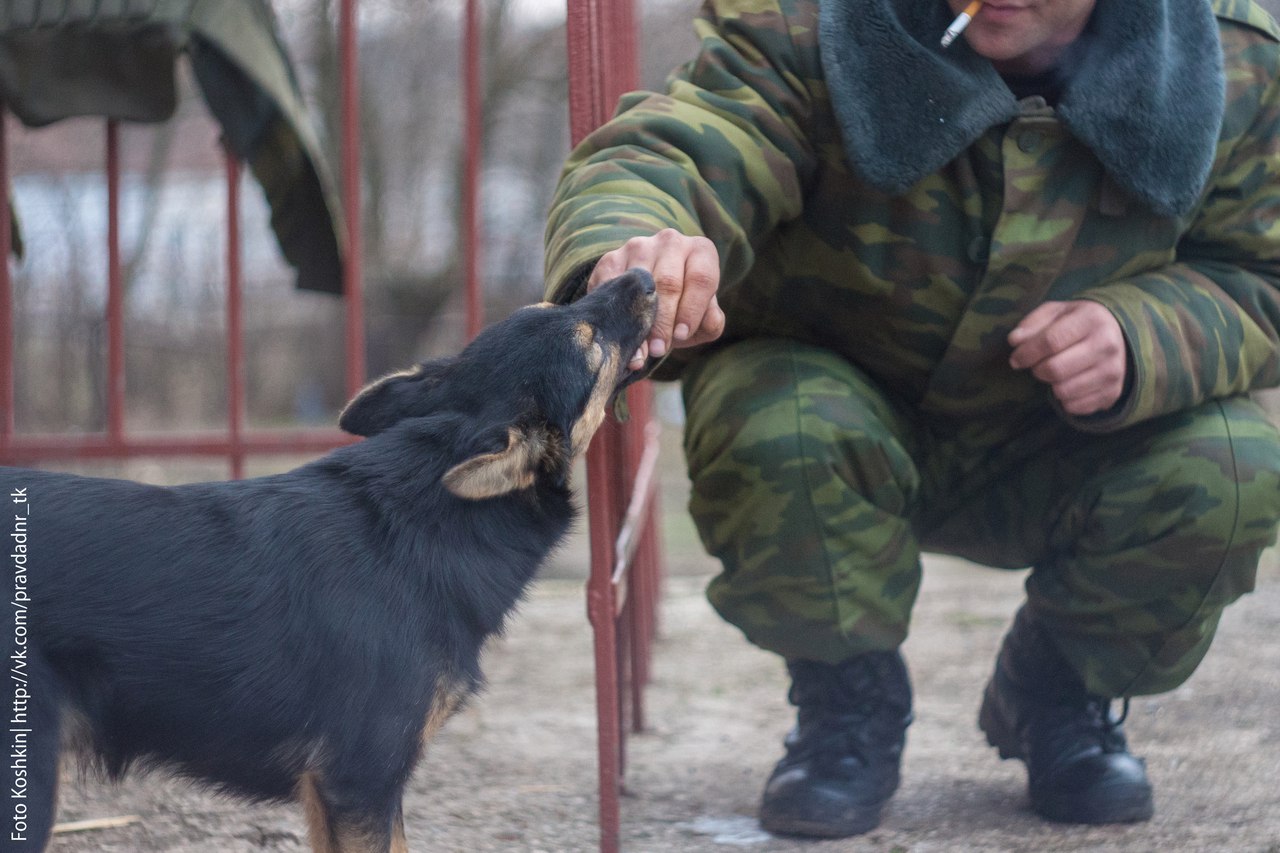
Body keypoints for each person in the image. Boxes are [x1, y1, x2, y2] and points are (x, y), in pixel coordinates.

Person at [544, 0, 1280, 838]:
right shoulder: (809, 23)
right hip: (840, 417)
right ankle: (846, 702)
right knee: (773, 417)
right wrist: (635, 246)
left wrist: (1145, 335)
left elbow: (1264, 272)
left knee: (1233, 464)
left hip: (1067, 448)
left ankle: (1060, 694)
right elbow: (677, 150)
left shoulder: (1236, 61)